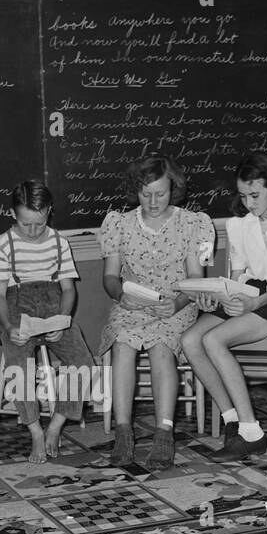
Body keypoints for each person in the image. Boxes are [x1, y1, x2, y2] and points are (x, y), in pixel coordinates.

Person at [181, 153, 267, 461]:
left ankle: (252, 433)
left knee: (214, 339)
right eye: (243, 196)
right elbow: (238, 274)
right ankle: (232, 421)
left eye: (255, 195)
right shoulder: (238, 224)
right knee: (189, 340)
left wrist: (255, 302)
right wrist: (222, 294)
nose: (249, 203)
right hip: (248, 293)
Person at [98, 156, 215, 470]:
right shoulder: (118, 224)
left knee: (162, 349)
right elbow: (110, 277)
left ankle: (164, 432)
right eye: (144, 193)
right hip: (131, 305)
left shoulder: (193, 224)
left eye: (160, 194)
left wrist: (177, 302)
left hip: (177, 304)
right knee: (122, 344)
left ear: (173, 189)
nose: (152, 201)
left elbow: (196, 278)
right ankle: (124, 432)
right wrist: (121, 293)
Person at [0, 180, 97, 463]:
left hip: (54, 307)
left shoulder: (59, 242)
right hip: (17, 307)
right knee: (18, 365)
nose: (34, 231)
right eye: (26, 225)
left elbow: (68, 289)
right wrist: (8, 327)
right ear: (13, 214)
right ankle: (35, 431)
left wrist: (62, 321)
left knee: (84, 362)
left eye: (39, 223)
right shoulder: (4, 244)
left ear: (49, 211)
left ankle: (56, 424)